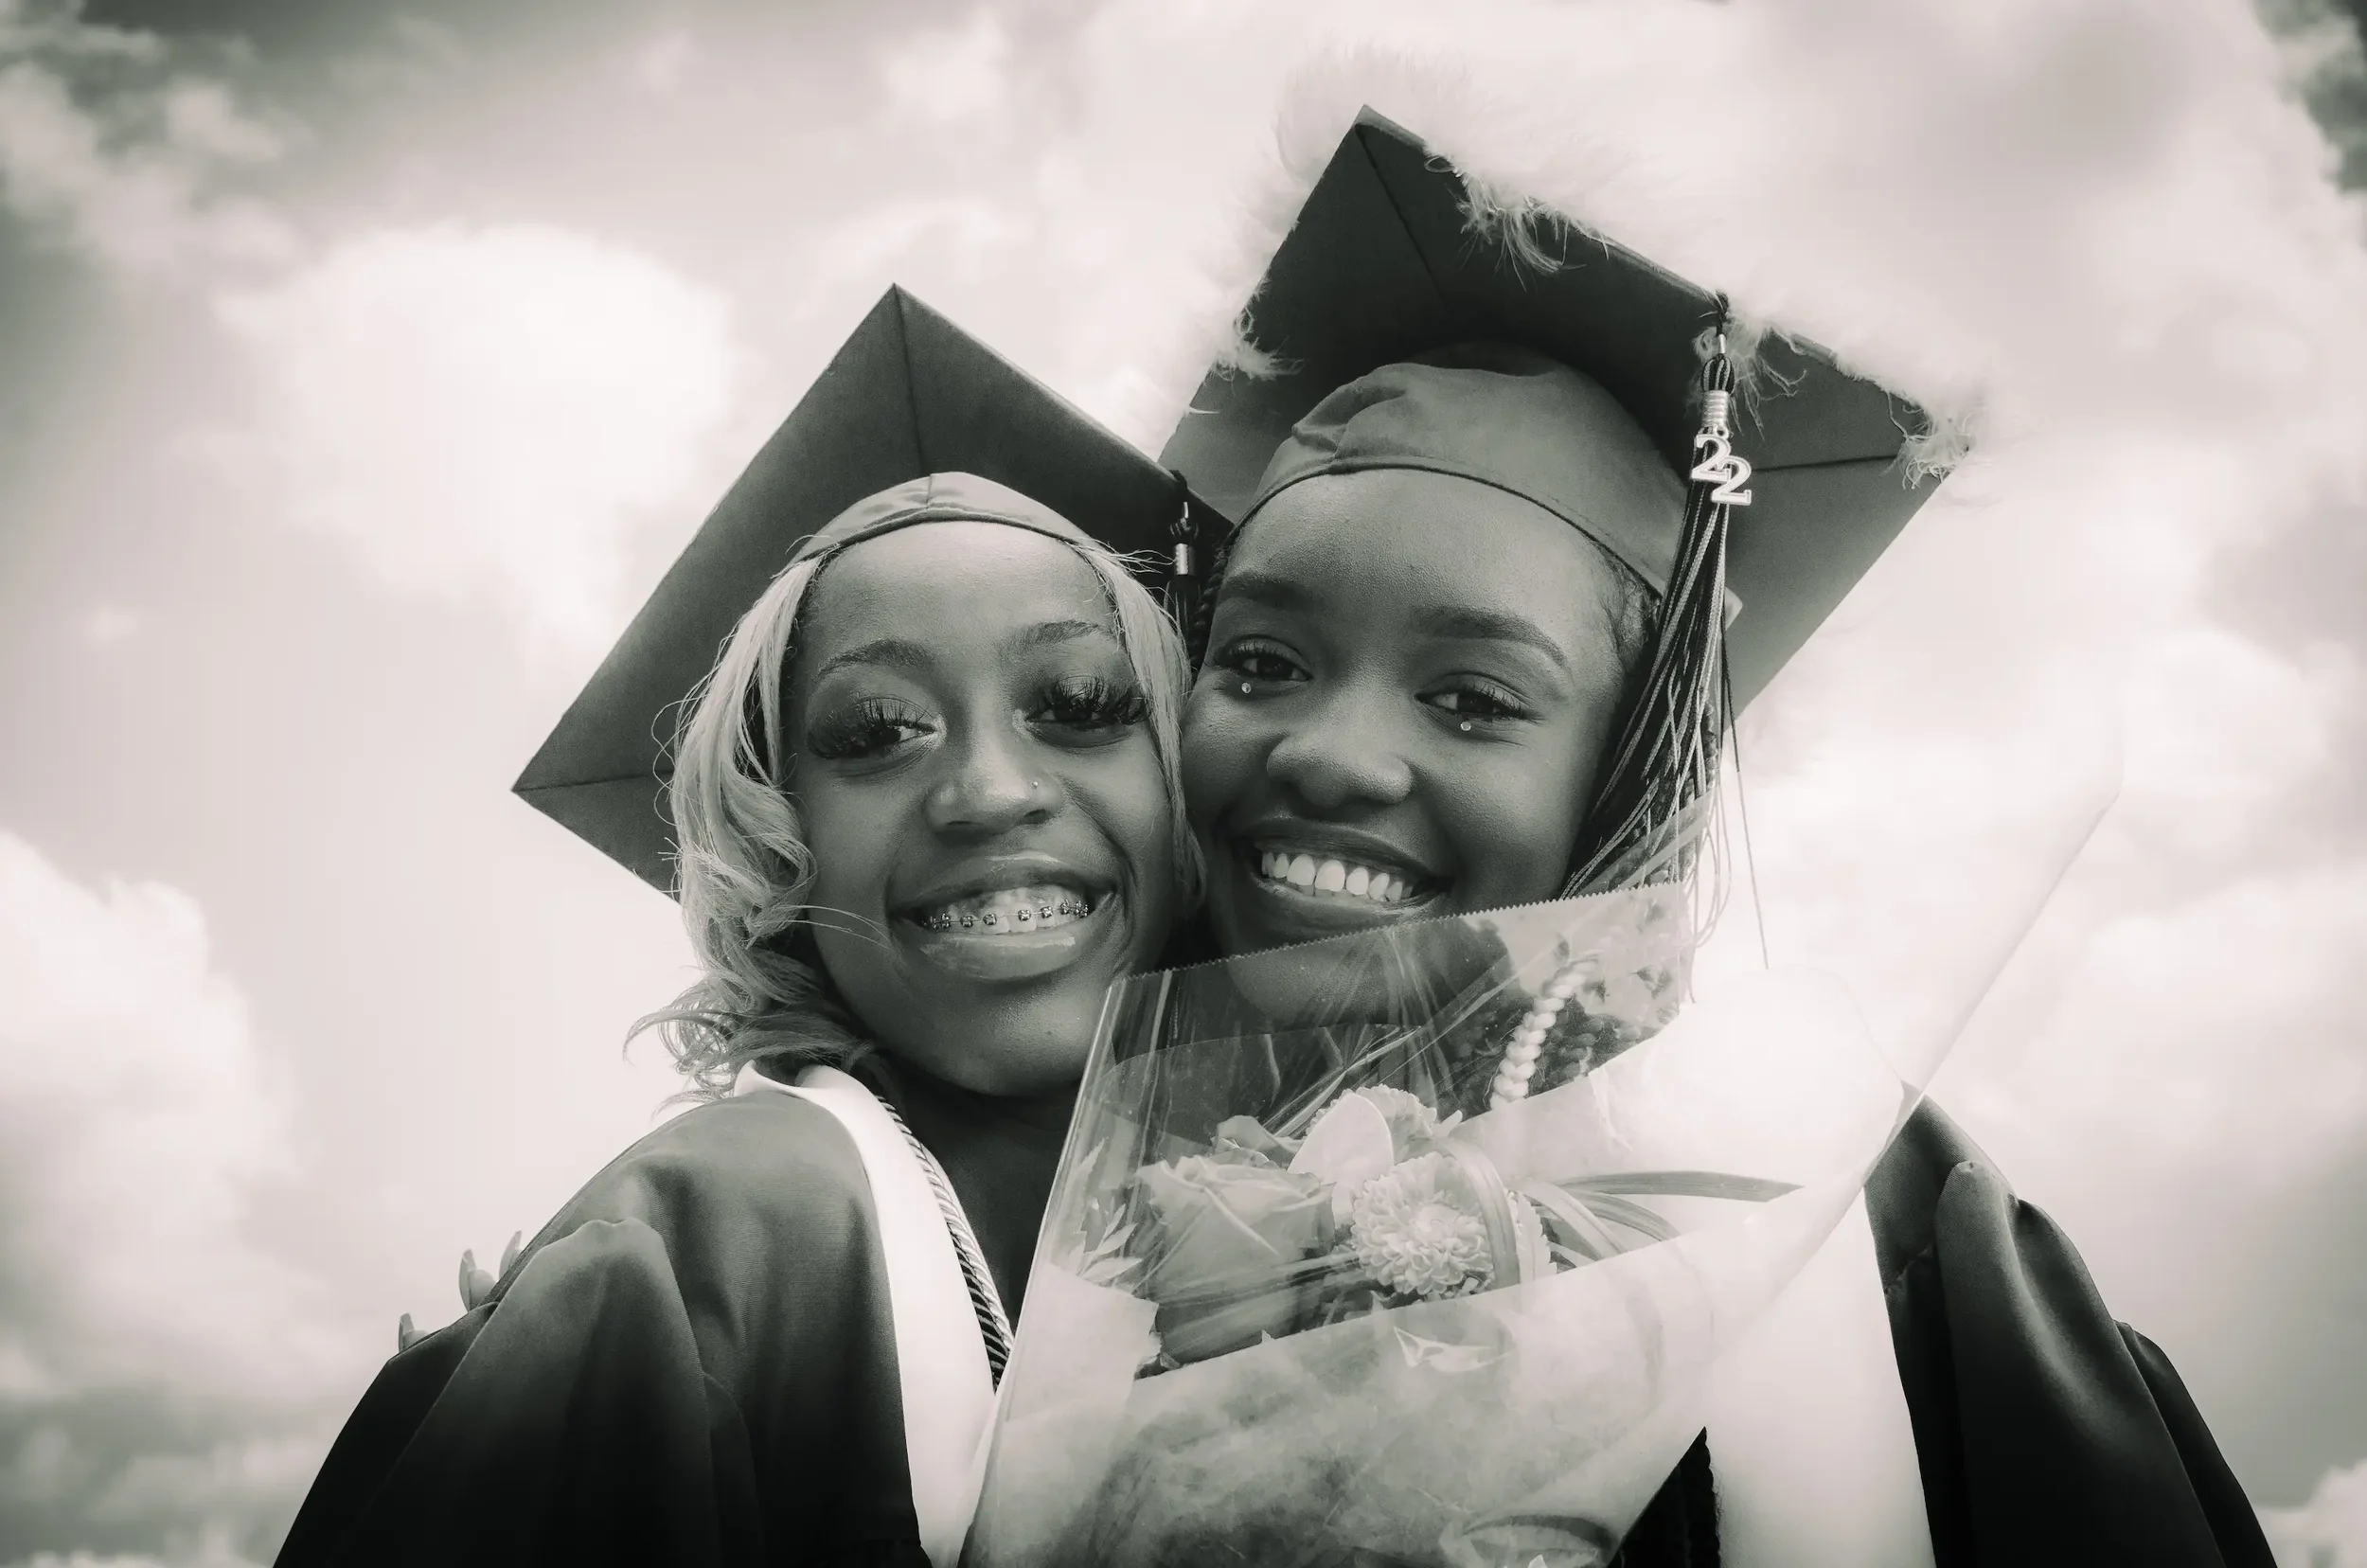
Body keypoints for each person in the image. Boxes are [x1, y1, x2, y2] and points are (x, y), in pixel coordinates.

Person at [1157, 110, 2273, 1568]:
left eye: (1475, 697)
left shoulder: (1876, 1243)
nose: (1332, 753)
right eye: (1257, 663)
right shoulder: (1013, 1205)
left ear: (1633, 773)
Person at [275, 291, 1201, 1568]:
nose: (991, 789)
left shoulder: (1319, 1233)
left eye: (1083, 703)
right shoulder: (714, 1242)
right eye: (877, 733)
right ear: (780, 832)